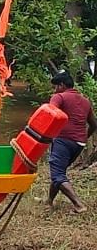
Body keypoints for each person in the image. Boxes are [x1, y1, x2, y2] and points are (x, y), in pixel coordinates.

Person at [46, 72, 95, 213]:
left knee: (57, 175)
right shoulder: (85, 101)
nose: (54, 90)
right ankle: (49, 201)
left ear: (61, 85)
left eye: (55, 87)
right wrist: (84, 137)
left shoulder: (59, 97)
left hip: (63, 140)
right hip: (79, 144)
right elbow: (94, 124)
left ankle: (79, 205)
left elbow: (50, 114)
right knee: (59, 171)